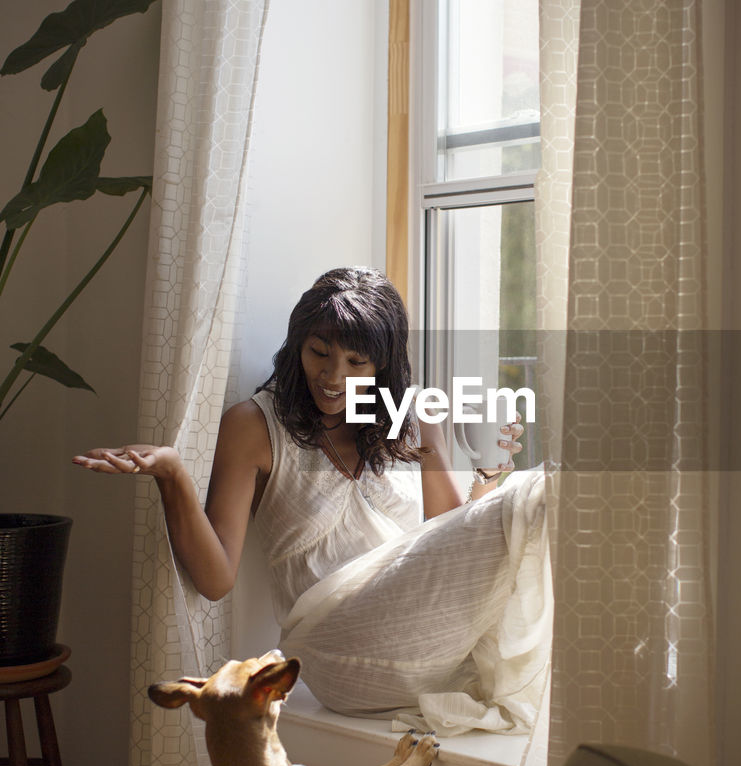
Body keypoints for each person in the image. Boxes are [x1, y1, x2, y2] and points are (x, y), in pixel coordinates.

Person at [74, 267, 551, 735]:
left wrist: (488, 475)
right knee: (539, 493)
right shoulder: (254, 425)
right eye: (319, 352)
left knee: (533, 498)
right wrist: (173, 475)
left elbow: (448, 539)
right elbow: (214, 579)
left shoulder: (412, 415)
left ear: (383, 365)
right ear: (297, 346)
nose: (332, 376)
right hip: (333, 651)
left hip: (419, 643)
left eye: (356, 363)